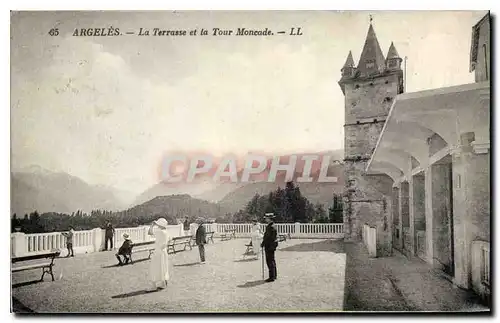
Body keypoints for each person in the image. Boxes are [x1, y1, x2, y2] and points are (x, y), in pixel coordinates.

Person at [147, 218, 170, 291]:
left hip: (158, 252)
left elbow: (149, 233)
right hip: (164, 251)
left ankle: (153, 285)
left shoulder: (160, 232)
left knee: (154, 268)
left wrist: (152, 225)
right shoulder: (166, 232)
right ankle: (163, 283)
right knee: (163, 267)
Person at [261, 214, 278, 282]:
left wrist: (263, 243)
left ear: (270, 219)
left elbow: (267, 237)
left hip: (269, 245)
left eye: (266, 218)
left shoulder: (270, 227)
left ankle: (271, 277)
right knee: (272, 260)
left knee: (269, 261)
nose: (265, 219)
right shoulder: (273, 225)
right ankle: (274, 275)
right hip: (272, 245)